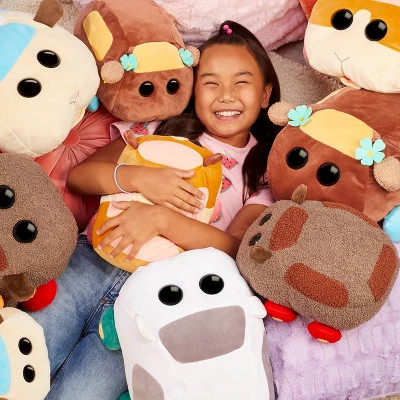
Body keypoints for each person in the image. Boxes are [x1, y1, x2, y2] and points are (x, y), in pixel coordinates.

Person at [29, 20, 281, 399]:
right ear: (193, 89)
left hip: (153, 304)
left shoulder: (265, 170)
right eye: (211, 83)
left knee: (80, 393)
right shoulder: (161, 126)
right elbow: (80, 176)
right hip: (90, 263)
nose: (225, 95)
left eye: (241, 82)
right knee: (25, 357)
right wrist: (139, 178)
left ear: (265, 94)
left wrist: (162, 219)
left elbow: (235, 248)